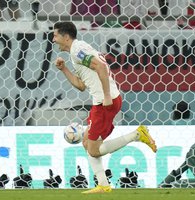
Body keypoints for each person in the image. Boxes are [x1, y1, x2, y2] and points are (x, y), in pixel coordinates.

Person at [52, 21, 157, 194]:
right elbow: (80, 85)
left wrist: (107, 95)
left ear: (66, 36)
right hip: (101, 101)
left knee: (93, 150)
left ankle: (137, 134)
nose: (53, 39)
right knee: (86, 143)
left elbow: (100, 66)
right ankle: (103, 184)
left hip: (104, 102)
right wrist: (64, 69)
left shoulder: (78, 51)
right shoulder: (77, 51)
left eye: (55, 35)